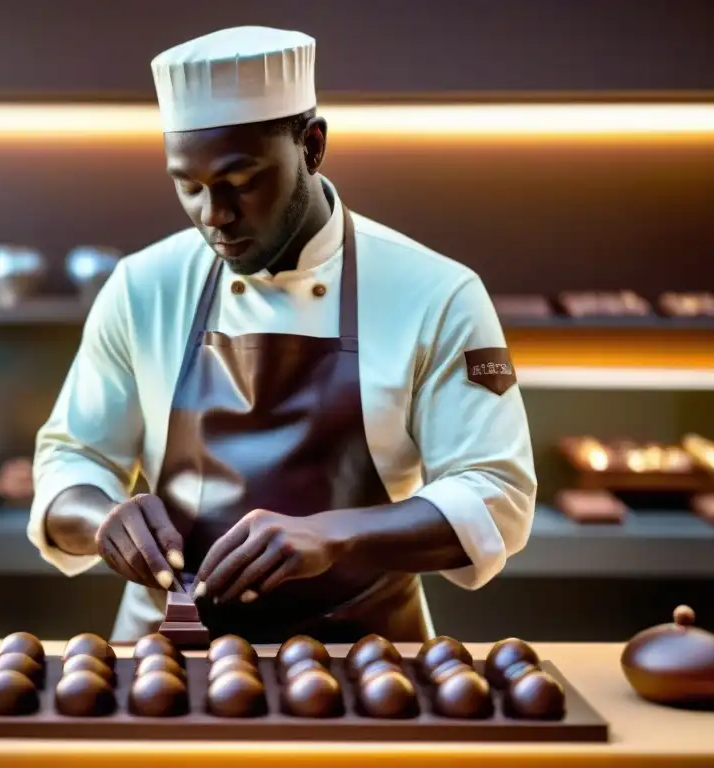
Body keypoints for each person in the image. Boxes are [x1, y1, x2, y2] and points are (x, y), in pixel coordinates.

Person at [28, 26, 536, 643]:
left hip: (368, 663)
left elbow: (496, 495)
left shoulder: (437, 293)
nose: (214, 216)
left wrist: (334, 535)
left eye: (242, 182)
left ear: (313, 146)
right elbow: (71, 458)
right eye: (188, 186)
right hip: (165, 659)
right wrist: (103, 515)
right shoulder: (142, 285)